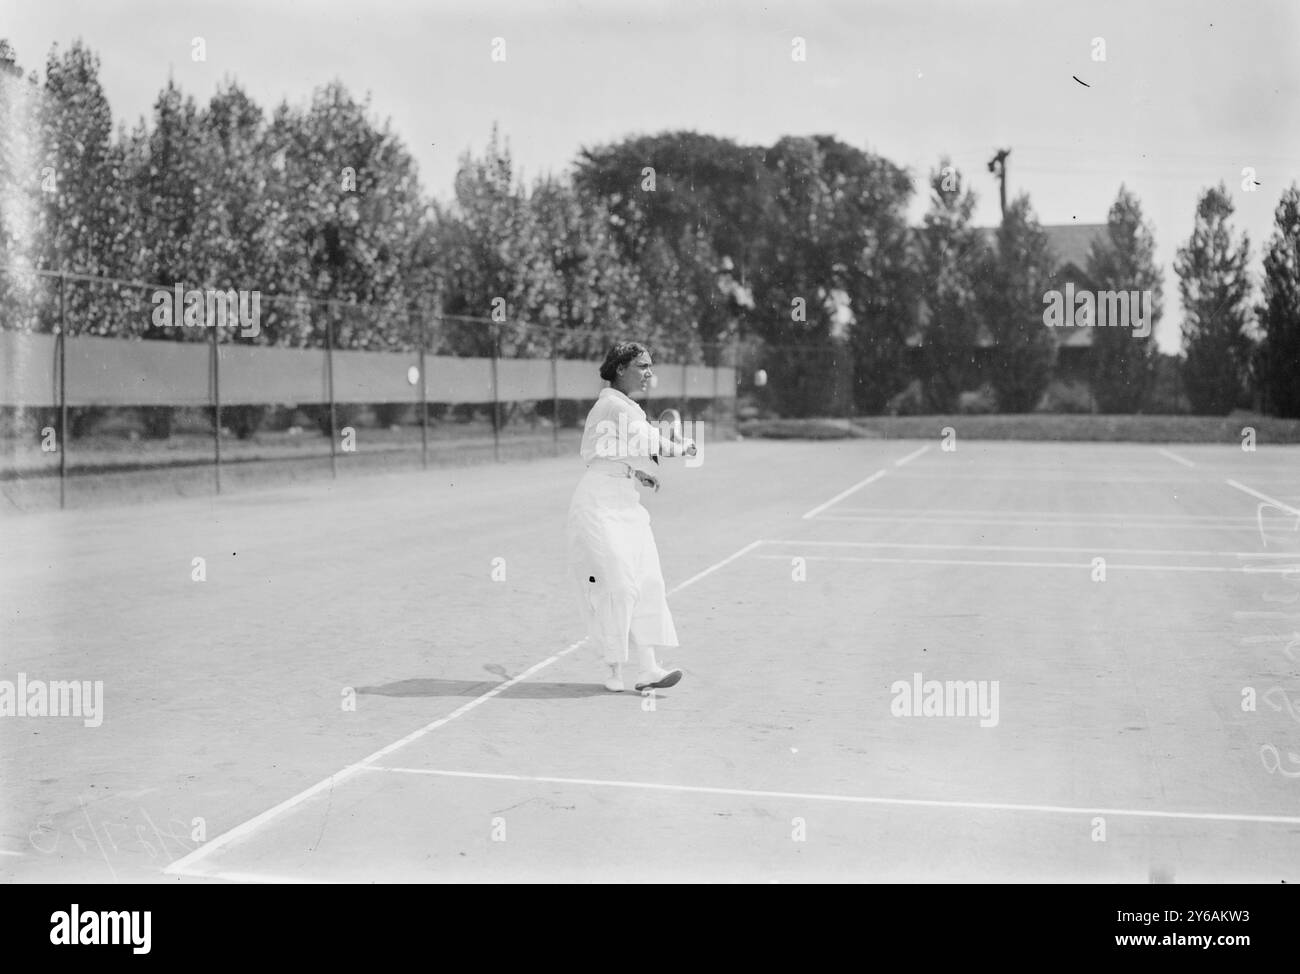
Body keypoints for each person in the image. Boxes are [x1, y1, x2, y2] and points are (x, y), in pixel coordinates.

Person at [565, 341, 697, 693]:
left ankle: (649, 669)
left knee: (647, 579)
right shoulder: (613, 406)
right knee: (619, 585)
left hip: (625, 502)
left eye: (651, 366)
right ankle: (613, 668)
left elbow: (617, 451)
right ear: (621, 368)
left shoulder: (625, 408)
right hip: (598, 506)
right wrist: (681, 446)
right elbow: (650, 442)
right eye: (643, 366)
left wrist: (635, 472)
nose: (649, 373)